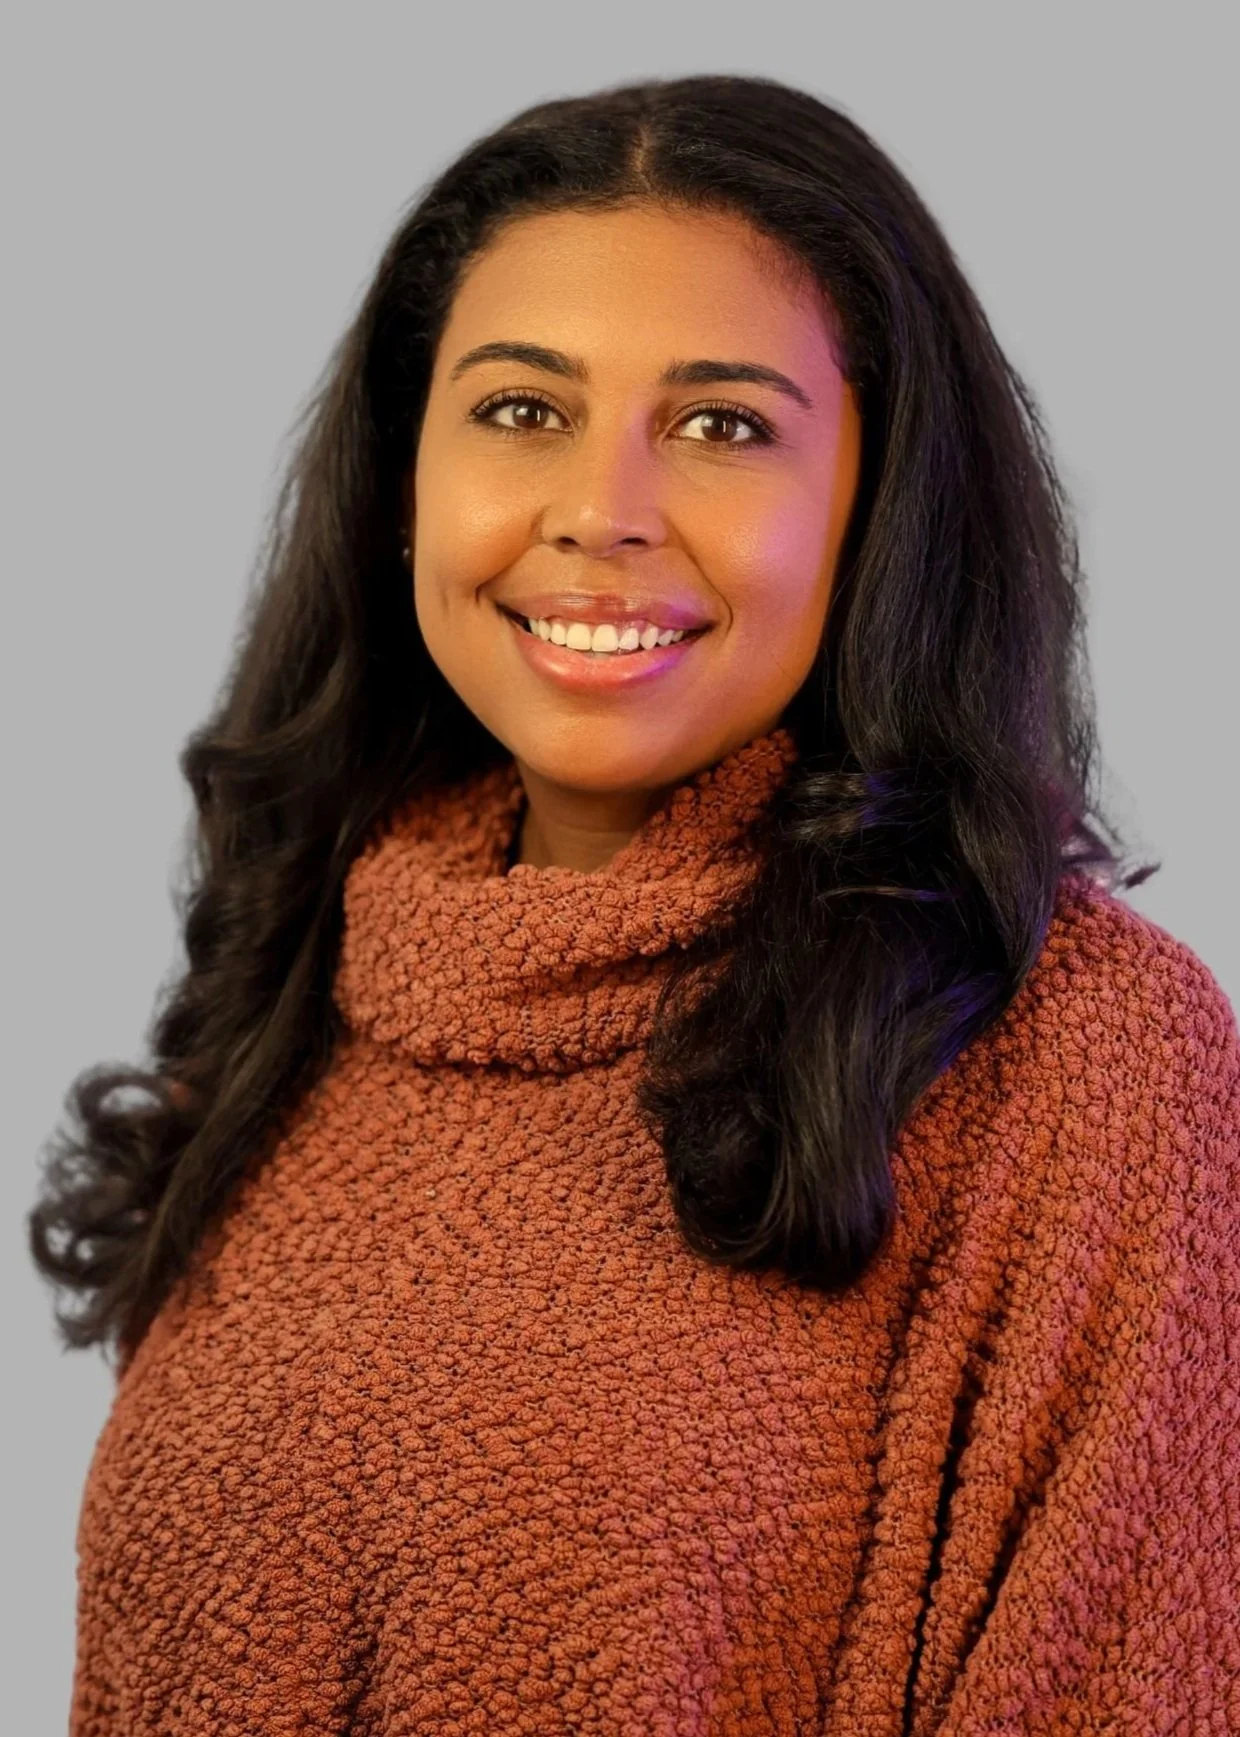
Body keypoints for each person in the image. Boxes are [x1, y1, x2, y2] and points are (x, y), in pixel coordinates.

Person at [30, 73, 1238, 1735]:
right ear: (404, 483)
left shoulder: (1065, 1045)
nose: (602, 508)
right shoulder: (315, 981)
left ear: (871, 507)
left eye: (723, 424)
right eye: (521, 410)